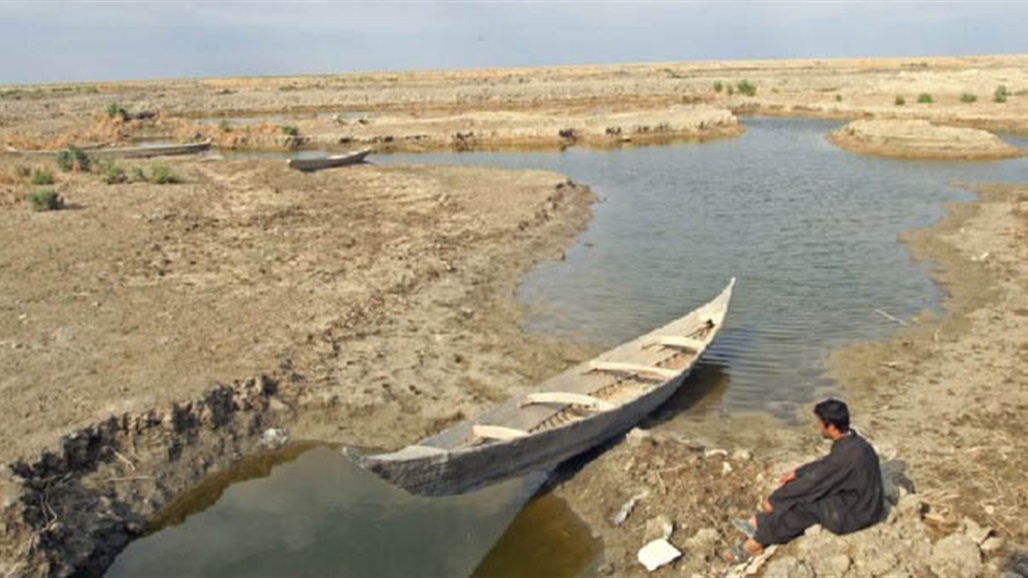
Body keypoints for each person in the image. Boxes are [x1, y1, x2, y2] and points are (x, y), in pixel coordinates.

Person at [727, 399, 884, 562]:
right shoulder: (854, 442)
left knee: (803, 506)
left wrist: (776, 500)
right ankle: (760, 523)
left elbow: (814, 482)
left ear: (831, 427)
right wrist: (797, 473)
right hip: (867, 503)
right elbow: (826, 465)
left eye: (820, 423)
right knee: (803, 496)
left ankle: (755, 545)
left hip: (859, 513)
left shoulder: (844, 456)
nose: (818, 426)